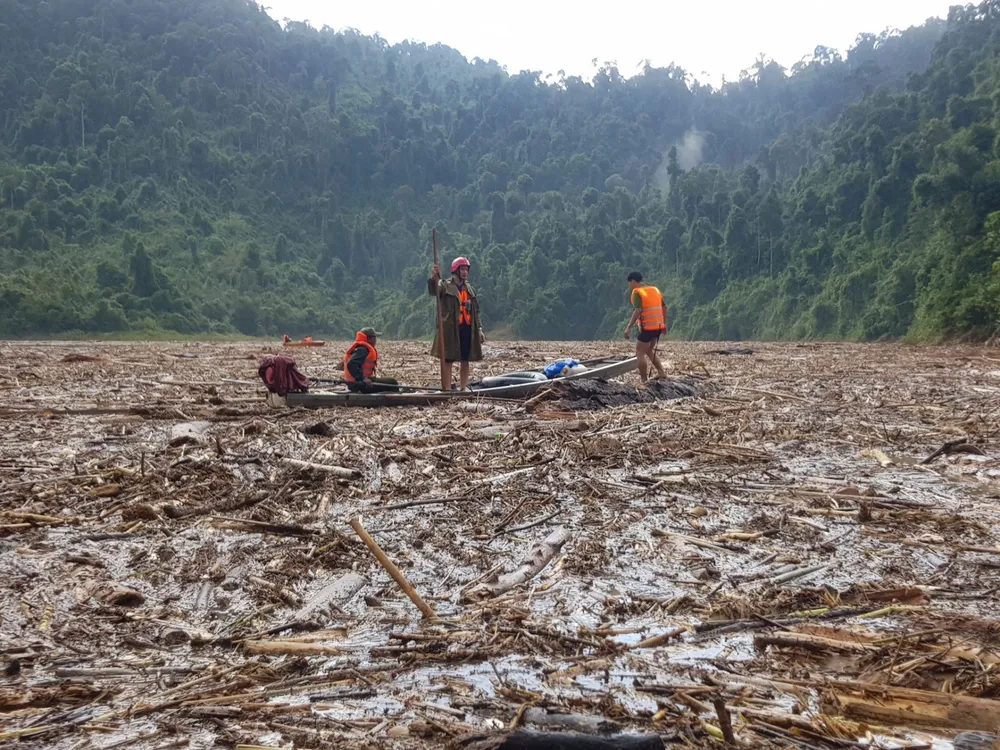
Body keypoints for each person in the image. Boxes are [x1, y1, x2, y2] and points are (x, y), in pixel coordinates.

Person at [429, 256, 485, 391]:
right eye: (462, 269)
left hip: (467, 327)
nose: (465, 272)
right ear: (456, 270)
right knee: (448, 359)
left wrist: (480, 329)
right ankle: (447, 388)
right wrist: (434, 277)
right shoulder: (445, 285)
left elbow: (476, 311)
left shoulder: (470, 289)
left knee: (465, 358)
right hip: (450, 328)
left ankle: (463, 387)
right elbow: (433, 291)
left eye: (466, 269)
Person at [623, 271, 668, 387]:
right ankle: (661, 372)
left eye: (630, 283)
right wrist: (664, 324)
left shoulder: (637, 293)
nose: (630, 286)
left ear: (633, 281)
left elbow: (638, 311)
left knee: (639, 352)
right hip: (658, 326)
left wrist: (628, 327)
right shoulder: (655, 290)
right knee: (648, 350)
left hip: (647, 327)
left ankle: (644, 380)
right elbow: (664, 307)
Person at [344, 328, 400, 393]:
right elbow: (351, 364)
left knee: (387, 382)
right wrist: (363, 378)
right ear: (369, 339)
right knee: (393, 382)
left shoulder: (359, 348)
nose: (376, 340)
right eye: (375, 338)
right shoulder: (363, 349)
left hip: (356, 384)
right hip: (360, 385)